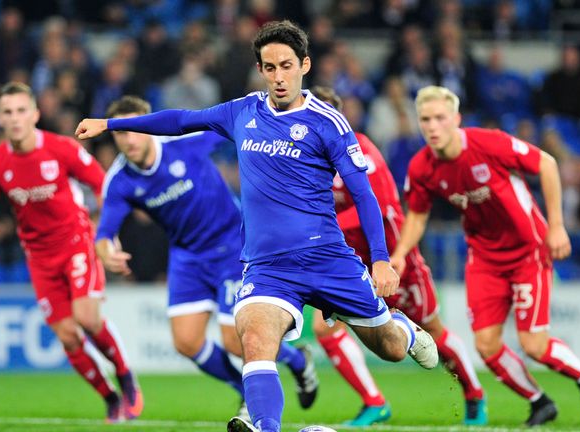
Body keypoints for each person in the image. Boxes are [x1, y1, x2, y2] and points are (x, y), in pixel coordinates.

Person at [75, 20, 439, 432]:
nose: (279, 76)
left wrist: (380, 260)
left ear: (304, 64)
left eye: (286, 65)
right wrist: (111, 126)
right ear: (261, 70)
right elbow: (180, 120)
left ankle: (404, 331)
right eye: (269, 67)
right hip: (267, 267)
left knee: (389, 348)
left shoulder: (328, 123)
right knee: (253, 339)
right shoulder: (243, 111)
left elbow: (364, 194)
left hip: (326, 258)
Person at [390, 85, 580, 427]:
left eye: (440, 118)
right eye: (425, 120)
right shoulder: (421, 167)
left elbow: (547, 164)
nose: (432, 127)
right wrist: (400, 253)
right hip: (485, 258)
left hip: (528, 250)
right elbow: (417, 215)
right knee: (487, 345)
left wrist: (557, 226)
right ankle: (539, 402)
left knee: (534, 344)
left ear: (456, 119)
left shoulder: (488, 143)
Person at [96, 95, 319, 417]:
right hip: (187, 256)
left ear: (148, 126)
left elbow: (234, 123)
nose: (129, 139)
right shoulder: (119, 181)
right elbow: (104, 233)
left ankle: (296, 362)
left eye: (134, 129)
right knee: (186, 342)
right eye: (120, 133)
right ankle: (245, 387)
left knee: (233, 340)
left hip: (232, 245)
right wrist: (106, 253)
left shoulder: (184, 142)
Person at [311, 86, 486, 426]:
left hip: (394, 259)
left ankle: (474, 394)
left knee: (433, 330)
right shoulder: (312, 160)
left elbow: (377, 206)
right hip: (354, 266)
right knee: (324, 328)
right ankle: (374, 402)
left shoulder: (359, 149)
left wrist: (324, 225)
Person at [0, 82, 142, 423]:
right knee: (67, 336)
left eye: (21, 110)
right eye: (7, 112)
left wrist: (107, 234)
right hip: (38, 256)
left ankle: (125, 375)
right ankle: (109, 397)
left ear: (35, 114)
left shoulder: (60, 149)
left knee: (87, 318)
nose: (15, 118)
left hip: (77, 241)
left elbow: (101, 183)